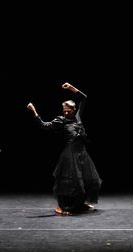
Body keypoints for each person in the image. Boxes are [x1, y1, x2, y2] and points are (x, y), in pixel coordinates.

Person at [26, 82, 102, 216]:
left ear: (74, 110)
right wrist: (34, 111)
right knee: (73, 183)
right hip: (70, 154)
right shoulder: (61, 120)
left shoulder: (78, 117)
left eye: (69, 110)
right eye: (64, 110)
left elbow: (84, 98)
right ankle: (65, 206)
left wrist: (72, 89)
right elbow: (45, 125)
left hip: (82, 153)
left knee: (91, 181)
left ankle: (81, 204)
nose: (66, 112)